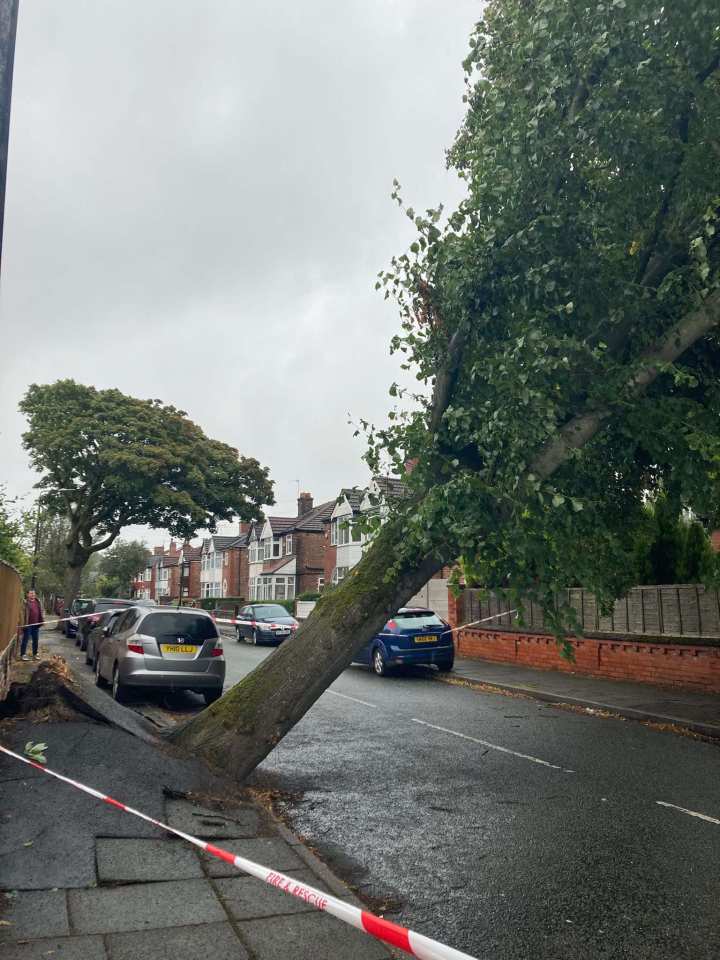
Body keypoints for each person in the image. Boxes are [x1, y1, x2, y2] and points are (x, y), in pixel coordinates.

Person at [21, 589, 43, 661]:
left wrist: (42, 619)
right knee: (25, 640)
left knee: (36, 640)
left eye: (33, 593)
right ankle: (23, 654)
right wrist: (23, 624)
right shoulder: (25, 602)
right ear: (28, 595)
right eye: (31, 593)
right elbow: (22, 614)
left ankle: (35, 654)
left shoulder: (38, 602)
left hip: (36, 624)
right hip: (28, 625)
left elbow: (41, 611)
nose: (32, 595)